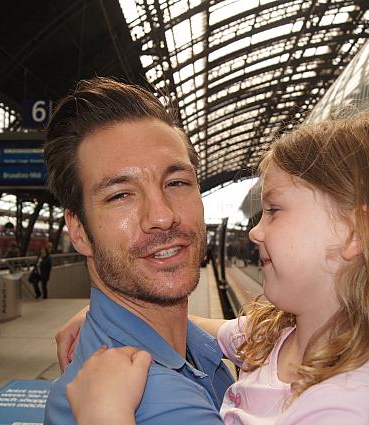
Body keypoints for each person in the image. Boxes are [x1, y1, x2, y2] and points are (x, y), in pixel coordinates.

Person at [62, 112, 369, 425]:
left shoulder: (349, 408)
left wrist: (105, 417)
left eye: (274, 210)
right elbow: (206, 329)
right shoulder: (282, 336)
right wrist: (110, 312)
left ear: (355, 231)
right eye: (120, 195)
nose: (255, 232)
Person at [42, 77, 234, 425]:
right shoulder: (162, 407)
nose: (162, 216)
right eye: (121, 195)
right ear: (79, 231)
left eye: (176, 183)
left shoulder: (179, 340)